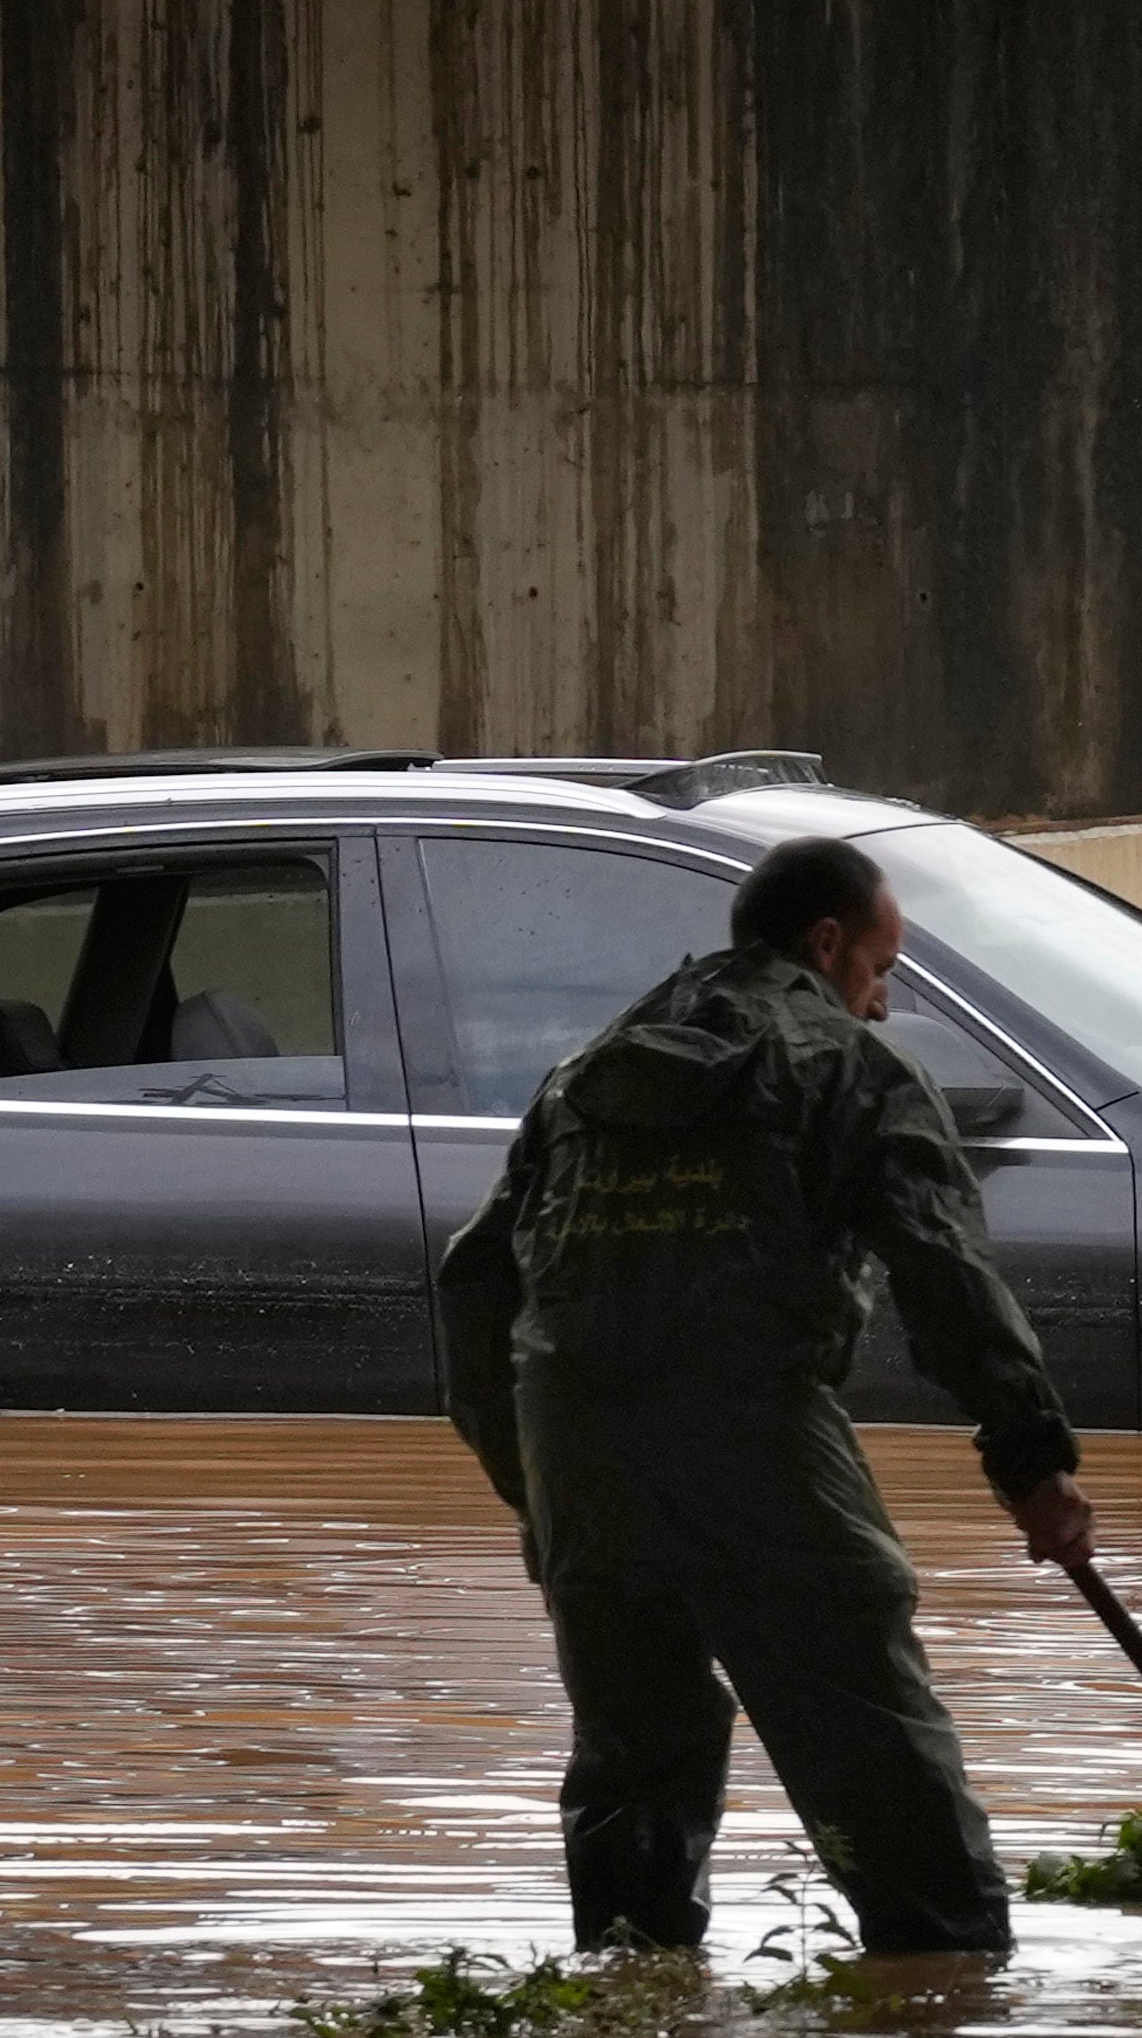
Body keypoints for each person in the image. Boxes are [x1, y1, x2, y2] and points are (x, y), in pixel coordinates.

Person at [432, 831, 1097, 1957]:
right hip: (752, 1434)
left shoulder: (588, 1071)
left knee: (633, 1756)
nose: (880, 1005)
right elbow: (946, 1273)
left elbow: (474, 1281)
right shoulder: (849, 1067)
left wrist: (535, 1485)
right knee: (867, 1734)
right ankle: (949, 2019)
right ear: (828, 943)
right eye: (879, 972)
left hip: (574, 1442)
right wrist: (1033, 1465)